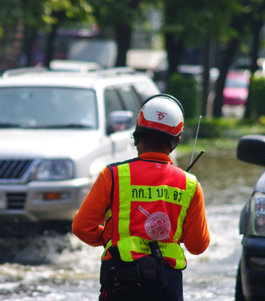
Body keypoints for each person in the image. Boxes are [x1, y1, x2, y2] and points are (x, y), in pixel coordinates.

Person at [72, 94, 210, 301]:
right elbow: (198, 246)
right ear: (177, 141)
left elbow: (82, 227)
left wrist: (110, 238)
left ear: (136, 135)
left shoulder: (113, 175)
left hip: (120, 280)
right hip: (166, 285)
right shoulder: (190, 185)